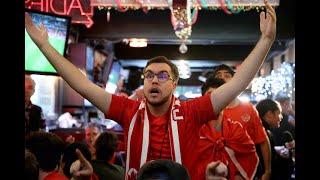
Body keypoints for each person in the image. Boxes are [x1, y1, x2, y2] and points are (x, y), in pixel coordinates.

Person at [25, 1, 276, 179]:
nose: (154, 80)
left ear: (174, 84)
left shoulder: (191, 112)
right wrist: (46, 47)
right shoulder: (129, 110)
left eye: (162, 75)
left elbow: (237, 83)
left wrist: (265, 41)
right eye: (149, 75)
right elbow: (81, 83)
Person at [211, 64, 272, 180]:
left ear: (234, 81)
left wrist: (268, 170)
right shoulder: (210, 110)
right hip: (218, 173)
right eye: (219, 75)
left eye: (227, 75)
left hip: (247, 172)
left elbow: (263, 140)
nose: (222, 78)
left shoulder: (248, 108)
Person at [197, 77, 258, 180]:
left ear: (227, 100)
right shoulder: (194, 130)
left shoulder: (237, 129)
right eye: (210, 95)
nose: (215, 100)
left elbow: (249, 156)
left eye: (220, 95)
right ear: (202, 99)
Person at [255, 99, 293, 180]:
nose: (281, 117)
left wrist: (275, 150)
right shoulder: (263, 134)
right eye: (279, 113)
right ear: (270, 114)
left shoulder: (265, 131)